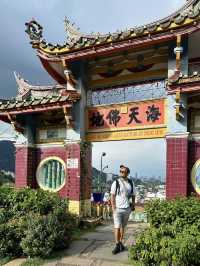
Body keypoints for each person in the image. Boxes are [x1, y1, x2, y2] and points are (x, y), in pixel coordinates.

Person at [110, 164, 136, 254]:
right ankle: (117, 244)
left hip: (127, 209)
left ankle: (121, 243)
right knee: (117, 227)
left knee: (123, 227)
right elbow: (112, 195)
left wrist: (133, 204)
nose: (121, 173)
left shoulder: (131, 183)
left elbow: (133, 194)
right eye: (120, 171)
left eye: (123, 171)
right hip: (117, 209)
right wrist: (113, 207)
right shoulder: (116, 182)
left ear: (127, 173)